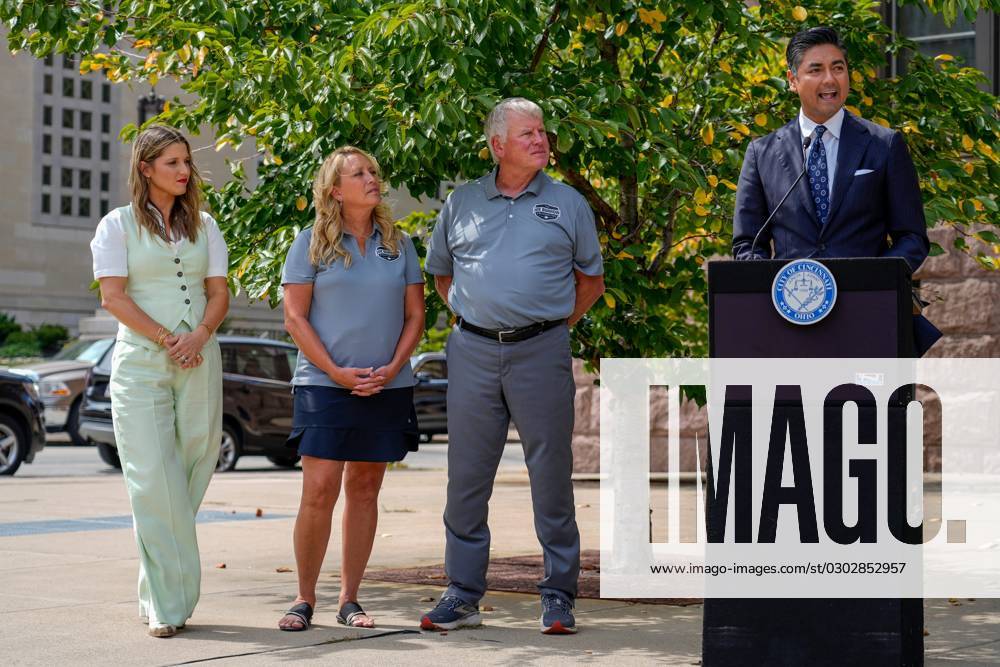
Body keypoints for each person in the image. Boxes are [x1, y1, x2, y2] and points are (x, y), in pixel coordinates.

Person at [421, 98, 605, 635]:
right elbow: (441, 276)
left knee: (551, 475)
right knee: (467, 477)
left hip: (542, 350)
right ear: (497, 145)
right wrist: (479, 317)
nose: (541, 141)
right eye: (528, 133)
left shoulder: (568, 203)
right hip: (472, 351)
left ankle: (558, 594)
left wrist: (548, 327)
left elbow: (590, 282)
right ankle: (461, 592)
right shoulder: (461, 202)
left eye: (544, 132)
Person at [277, 146, 425, 631]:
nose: (371, 178)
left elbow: (415, 316)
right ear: (335, 190)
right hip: (324, 385)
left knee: (364, 489)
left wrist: (392, 367)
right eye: (358, 173)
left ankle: (350, 599)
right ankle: (303, 599)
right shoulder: (310, 243)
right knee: (319, 490)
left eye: (373, 171)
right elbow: (295, 318)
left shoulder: (398, 244)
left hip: (387, 385)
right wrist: (337, 373)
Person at [91, 125, 229, 638]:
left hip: (200, 359)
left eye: (186, 162)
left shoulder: (206, 226)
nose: (183, 171)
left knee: (192, 471)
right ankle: (170, 604)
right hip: (141, 365)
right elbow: (114, 297)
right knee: (153, 482)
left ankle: (157, 591)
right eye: (171, 162)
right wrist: (169, 339)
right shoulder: (117, 225)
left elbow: (218, 293)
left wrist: (199, 335)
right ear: (145, 168)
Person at [731, 26, 940, 355]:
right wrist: (772, 289)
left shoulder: (884, 145)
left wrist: (873, 282)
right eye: (816, 70)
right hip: (789, 326)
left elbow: (912, 238)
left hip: (869, 322)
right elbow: (747, 244)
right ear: (792, 79)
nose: (830, 80)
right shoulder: (762, 154)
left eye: (838, 68)